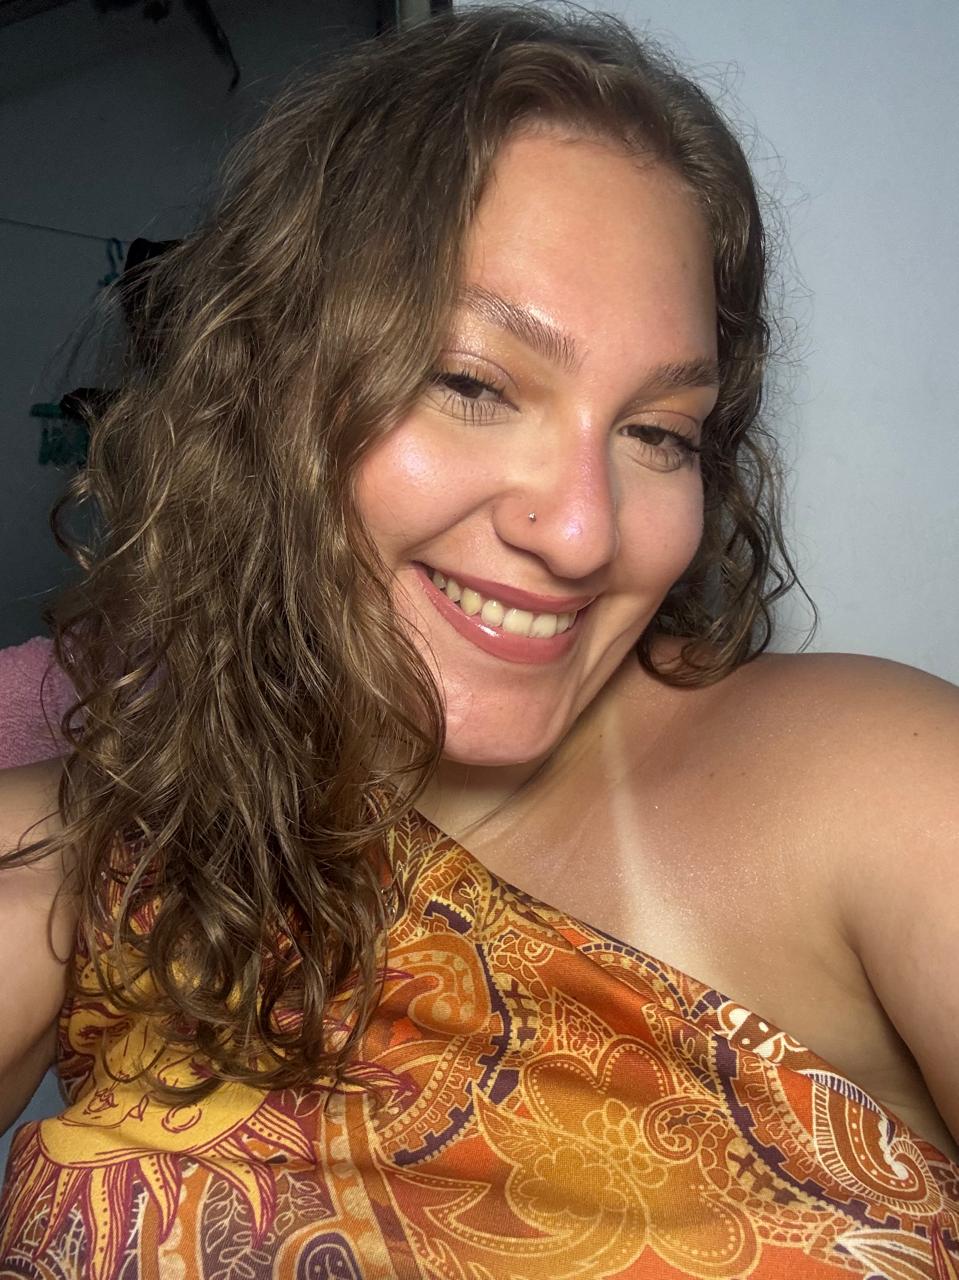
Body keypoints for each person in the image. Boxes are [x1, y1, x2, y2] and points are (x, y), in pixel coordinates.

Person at [0, 4, 956, 1276]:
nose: (582, 531)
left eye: (656, 433)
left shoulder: (875, 790)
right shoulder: (100, 849)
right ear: (266, 393)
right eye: (470, 383)